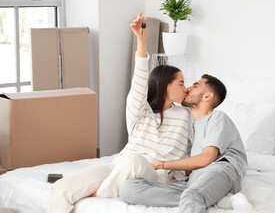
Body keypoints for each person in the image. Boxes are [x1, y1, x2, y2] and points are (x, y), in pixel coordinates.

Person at [47, 13, 192, 213]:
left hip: (155, 173)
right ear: (164, 85)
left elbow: (197, 149)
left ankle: (101, 194)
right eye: (181, 83)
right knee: (63, 187)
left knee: (134, 161)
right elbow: (139, 79)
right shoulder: (140, 111)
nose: (186, 88)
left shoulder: (186, 115)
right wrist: (141, 41)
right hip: (118, 166)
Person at [119, 74, 248, 213]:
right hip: (194, 180)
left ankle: (203, 195)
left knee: (192, 195)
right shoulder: (191, 127)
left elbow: (207, 159)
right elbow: (188, 169)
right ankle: (213, 198)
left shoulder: (217, 117)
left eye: (195, 86)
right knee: (128, 189)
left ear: (207, 96)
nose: (188, 88)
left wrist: (161, 164)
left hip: (221, 169)